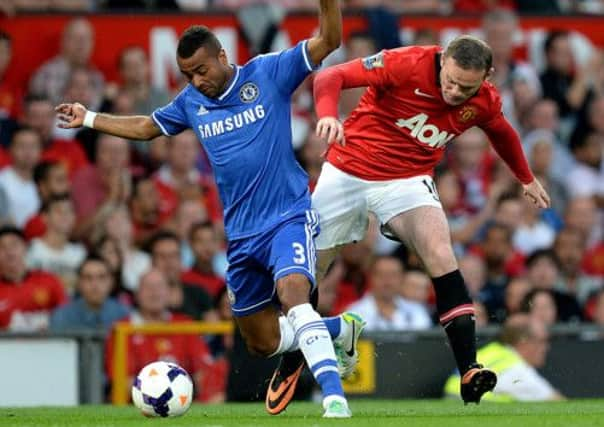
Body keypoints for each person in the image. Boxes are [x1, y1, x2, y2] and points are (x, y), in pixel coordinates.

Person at [55, 2, 359, 418]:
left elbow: (329, 40)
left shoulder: (268, 73)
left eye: (201, 71)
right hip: (240, 236)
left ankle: (334, 398)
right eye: (187, 76)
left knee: (294, 298)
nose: (197, 81)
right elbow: (147, 127)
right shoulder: (191, 102)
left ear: (222, 56)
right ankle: (341, 330)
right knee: (262, 342)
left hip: (288, 216)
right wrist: (89, 117)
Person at [310, 35, 551, 405]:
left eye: (465, 86)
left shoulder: (484, 100)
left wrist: (525, 177)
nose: (454, 92)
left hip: (408, 180)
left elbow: (501, 132)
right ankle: (296, 356)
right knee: (312, 270)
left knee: (441, 253)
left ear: (487, 75)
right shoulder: (405, 62)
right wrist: (327, 114)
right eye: (450, 81)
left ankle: (469, 368)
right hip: (349, 168)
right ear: (442, 63)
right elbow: (329, 77)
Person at [444, 314, 564, 401]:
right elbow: (557, 402)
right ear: (524, 342)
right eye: (542, 341)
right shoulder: (516, 369)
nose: (546, 347)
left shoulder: (491, 351)